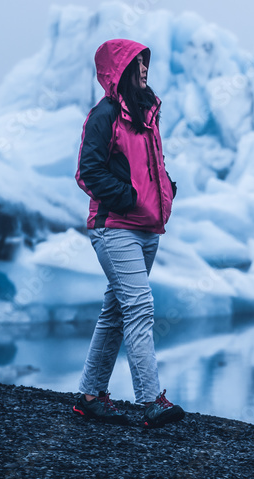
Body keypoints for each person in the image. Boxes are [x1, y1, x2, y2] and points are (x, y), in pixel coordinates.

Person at [71, 38, 185, 428]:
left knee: (116, 312)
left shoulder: (146, 113)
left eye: (145, 62)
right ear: (118, 70)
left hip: (147, 228)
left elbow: (154, 162)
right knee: (140, 307)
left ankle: (90, 396)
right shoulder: (104, 115)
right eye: (136, 62)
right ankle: (151, 401)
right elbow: (88, 171)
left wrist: (165, 187)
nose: (143, 68)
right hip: (115, 227)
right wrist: (129, 198)